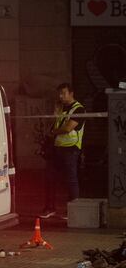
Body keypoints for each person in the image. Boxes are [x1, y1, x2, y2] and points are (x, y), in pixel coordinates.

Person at [41, 83, 84, 219]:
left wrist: (53, 132)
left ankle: (72, 210)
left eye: (63, 93)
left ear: (71, 93)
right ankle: (50, 208)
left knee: (71, 180)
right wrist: (55, 112)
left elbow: (67, 128)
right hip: (57, 148)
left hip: (71, 149)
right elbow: (54, 123)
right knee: (50, 178)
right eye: (59, 93)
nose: (60, 96)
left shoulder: (79, 109)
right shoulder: (60, 108)